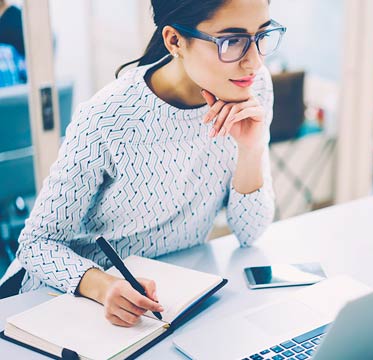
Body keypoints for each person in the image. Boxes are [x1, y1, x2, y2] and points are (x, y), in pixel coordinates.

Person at [2, 0, 286, 327]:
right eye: (232, 41)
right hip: (66, 302)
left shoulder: (253, 88)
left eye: (262, 35)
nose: (253, 62)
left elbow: (250, 232)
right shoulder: (108, 117)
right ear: (174, 40)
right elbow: (36, 245)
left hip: (168, 300)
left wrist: (251, 147)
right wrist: (103, 286)